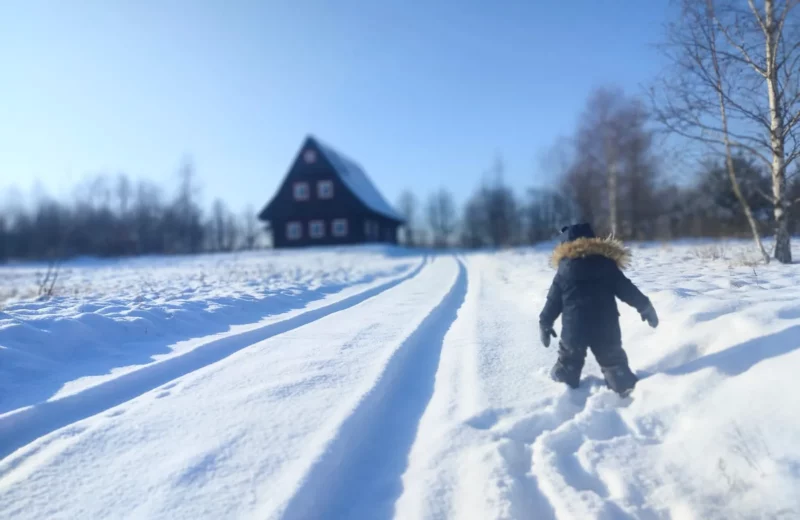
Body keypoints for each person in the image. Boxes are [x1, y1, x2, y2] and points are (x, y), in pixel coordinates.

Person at [538, 223, 658, 397]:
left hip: (574, 328)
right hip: (606, 326)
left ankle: (565, 382)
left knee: (569, 361)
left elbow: (553, 301)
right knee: (613, 360)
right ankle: (622, 383)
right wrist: (645, 306)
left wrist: (545, 322)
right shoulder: (606, 264)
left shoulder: (565, 269)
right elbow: (626, 289)